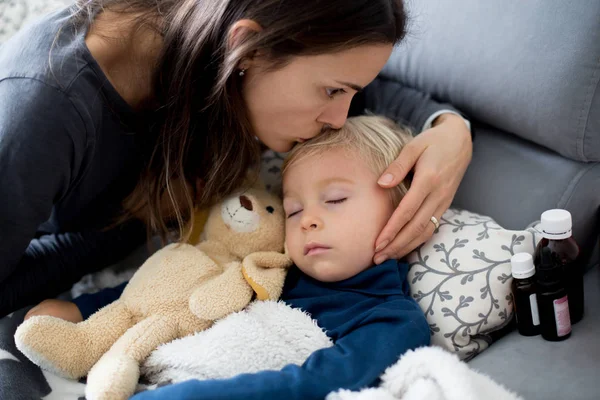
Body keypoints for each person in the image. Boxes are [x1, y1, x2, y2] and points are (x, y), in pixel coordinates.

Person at [0, 0, 472, 317]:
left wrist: (449, 127)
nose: (339, 119)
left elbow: (376, 87)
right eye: (332, 92)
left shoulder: (214, 47)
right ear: (247, 47)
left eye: (350, 93)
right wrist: (137, 222)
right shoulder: (45, 108)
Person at [32, 115, 431, 399]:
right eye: (293, 210)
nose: (308, 220)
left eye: (335, 199)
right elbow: (171, 290)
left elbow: (311, 384)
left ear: (406, 209)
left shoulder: (388, 318)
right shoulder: (269, 266)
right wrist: (84, 309)